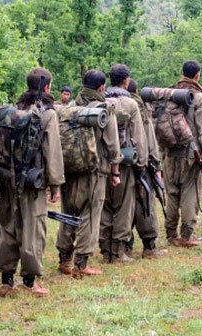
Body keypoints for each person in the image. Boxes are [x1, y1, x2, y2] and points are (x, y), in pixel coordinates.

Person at [0, 68, 65, 295]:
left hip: (7, 178)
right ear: (46, 87)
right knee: (33, 228)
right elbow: (52, 151)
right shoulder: (47, 114)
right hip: (33, 182)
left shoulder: (12, 111)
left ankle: (7, 280)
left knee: (7, 225)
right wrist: (55, 186)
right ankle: (30, 282)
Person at [56, 69, 123, 275]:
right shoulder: (104, 109)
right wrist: (115, 172)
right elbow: (113, 145)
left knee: (68, 212)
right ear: (102, 87)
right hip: (95, 170)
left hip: (70, 169)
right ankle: (81, 264)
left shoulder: (71, 107)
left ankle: (64, 259)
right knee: (90, 214)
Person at [100, 64, 148, 263]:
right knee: (123, 207)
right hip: (125, 162)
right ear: (126, 80)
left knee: (104, 206)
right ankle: (118, 251)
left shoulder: (99, 100)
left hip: (102, 162)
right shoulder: (130, 104)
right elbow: (139, 137)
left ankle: (105, 251)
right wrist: (142, 163)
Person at [163, 61, 202, 247]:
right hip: (191, 155)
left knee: (172, 193)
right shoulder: (197, 97)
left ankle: (170, 234)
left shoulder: (170, 93)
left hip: (169, 152)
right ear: (197, 75)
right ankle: (186, 235)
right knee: (190, 193)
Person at [126, 79, 166, 258]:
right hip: (141, 163)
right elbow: (148, 137)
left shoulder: (109, 102)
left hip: (119, 164)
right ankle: (149, 247)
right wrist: (155, 164)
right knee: (145, 204)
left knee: (122, 206)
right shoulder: (138, 107)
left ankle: (124, 245)